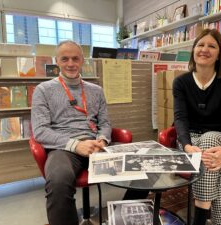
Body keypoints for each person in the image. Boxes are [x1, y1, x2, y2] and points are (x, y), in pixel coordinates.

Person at [31, 40, 146, 225]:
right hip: (65, 148)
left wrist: (103, 140)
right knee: (58, 183)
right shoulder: (43, 90)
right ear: (57, 61)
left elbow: (105, 123)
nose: (71, 63)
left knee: (147, 165)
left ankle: (122, 215)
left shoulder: (96, 90)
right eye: (65, 59)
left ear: (82, 60)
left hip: (97, 146)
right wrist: (76, 145)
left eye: (75, 58)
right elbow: (40, 131)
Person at [173, 29, 221, 225]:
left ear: (220, 53)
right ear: (194, 50)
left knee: (211, 139)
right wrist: (186, 145)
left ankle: (200, 220)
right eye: (200, 45)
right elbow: (180, 119)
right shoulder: (181, 82)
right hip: (189, 141)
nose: (204, 49)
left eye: (211, 46)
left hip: (217, 139)